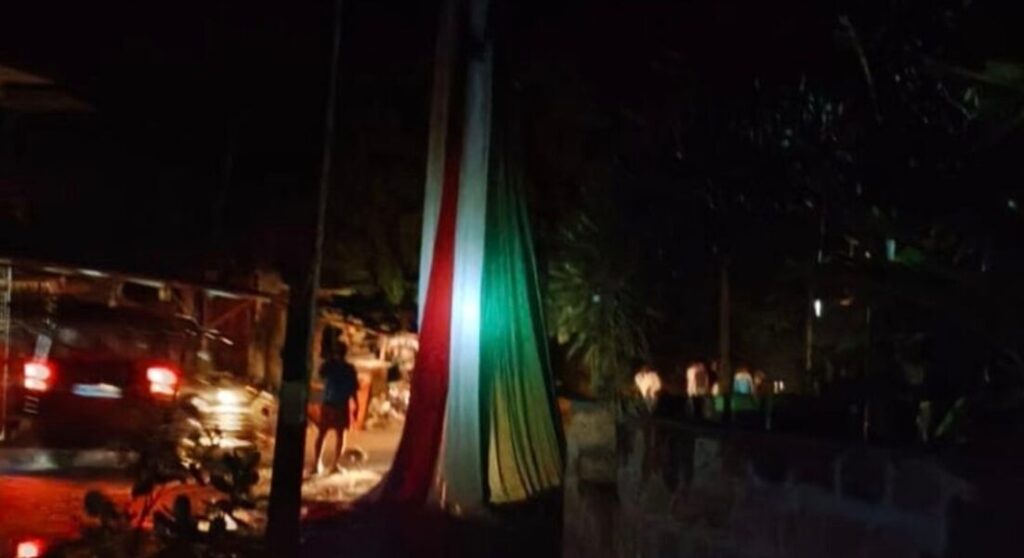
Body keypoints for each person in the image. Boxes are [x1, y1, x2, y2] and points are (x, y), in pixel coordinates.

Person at [313, 341, 359, 474]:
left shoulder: (330, 365)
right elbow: (353, 389)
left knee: (322, 434)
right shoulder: (349, 368)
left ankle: (317, 464)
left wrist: (329, 360)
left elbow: (320, 374)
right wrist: (357, 406)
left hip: (329, 403)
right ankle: (335, 465)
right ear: (345, 353)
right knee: (340, 435)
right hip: (341, 405)